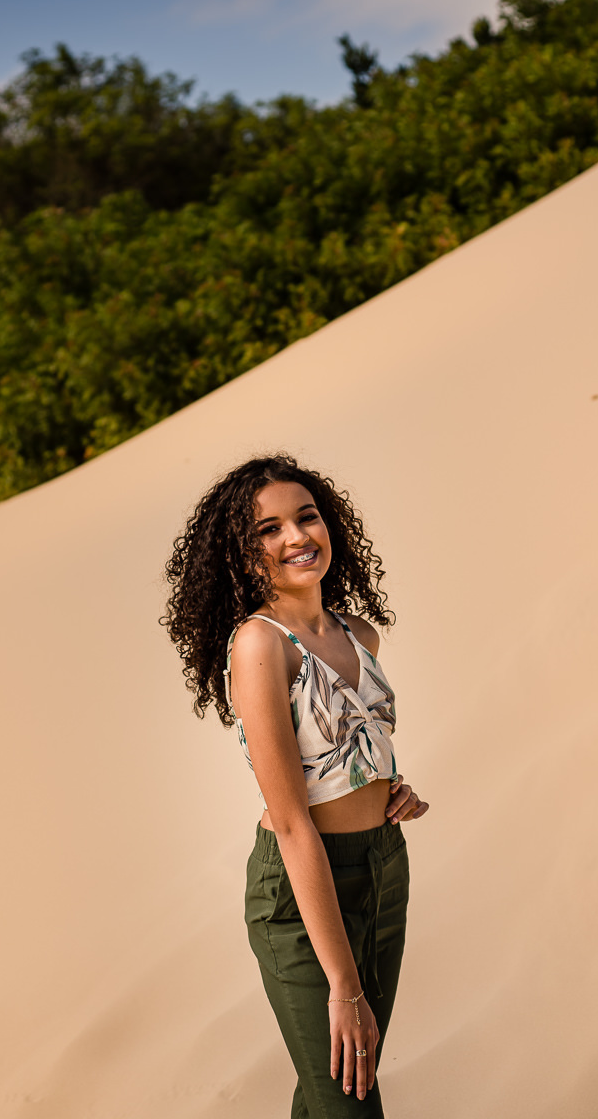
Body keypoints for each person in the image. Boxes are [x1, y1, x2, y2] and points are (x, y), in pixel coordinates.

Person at [164, 454, 428, 1116]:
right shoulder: (261, 645)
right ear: (241, 553)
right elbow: (290, 820)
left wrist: (392, 788)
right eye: (269, 529)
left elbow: (345, 753)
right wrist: (343, 983)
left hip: (382, 868)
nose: (296, 537)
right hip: (302, 888)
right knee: (349, 1097)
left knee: (330, 1091)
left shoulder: (359, 634)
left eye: (306, 517)